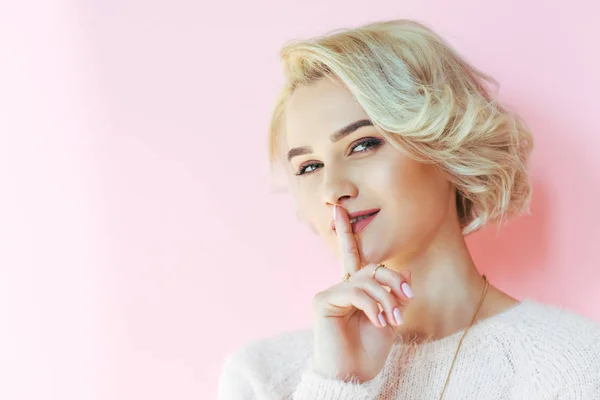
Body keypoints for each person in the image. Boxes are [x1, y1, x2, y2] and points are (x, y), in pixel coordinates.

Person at [217, 19, 600, 399]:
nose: (332, 190)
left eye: (363, 144)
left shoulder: (575, 366)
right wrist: (335, 384)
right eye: (309, 167)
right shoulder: (262, 378)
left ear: (443, 141)